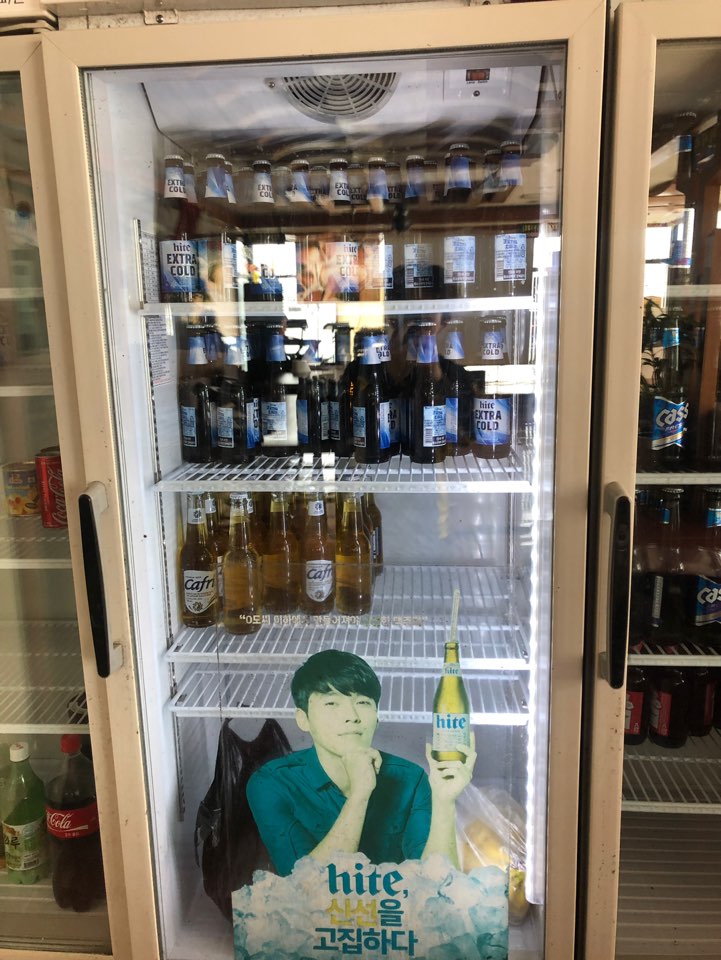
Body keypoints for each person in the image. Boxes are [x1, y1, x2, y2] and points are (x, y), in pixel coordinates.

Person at [246, 649, 476, 877]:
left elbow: (439, 883)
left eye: (363, 702)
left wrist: (444, 801)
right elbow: (304, 887)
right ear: (303, 719)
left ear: (377, 718)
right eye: (332, 703)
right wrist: (359, 795)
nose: (352, 716)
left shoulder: (411, 779)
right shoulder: (271, 783)